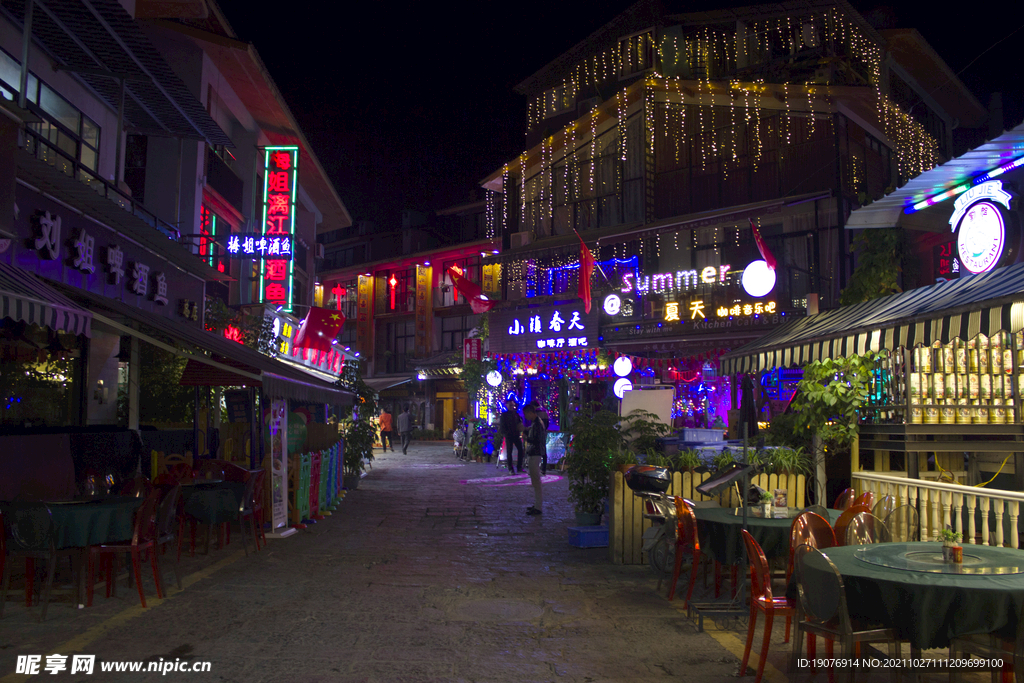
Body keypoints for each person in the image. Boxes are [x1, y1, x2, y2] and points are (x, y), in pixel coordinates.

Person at [522, 404, 547, 515]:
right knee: (535, 480)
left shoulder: (537, 423)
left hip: (535, 453)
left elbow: (537, 439)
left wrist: (527, 437)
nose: (525, 417)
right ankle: (537, 505)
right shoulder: (536, 423)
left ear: (530, 413)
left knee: (536, 480)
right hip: (534, 452)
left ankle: (538, 506)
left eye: (526, 414)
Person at [498, 400, 525, 474]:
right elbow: (502, 425)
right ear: (507, 405)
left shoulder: (516, 414)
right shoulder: (504, 415)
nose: (511, 407)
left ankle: (519, 467)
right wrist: (505, 433)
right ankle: (511, 469)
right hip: (509, 435)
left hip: (516, 434)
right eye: (510, 405)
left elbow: (520, 422)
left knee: (520, 450)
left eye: (512, 405)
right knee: (509, 452)